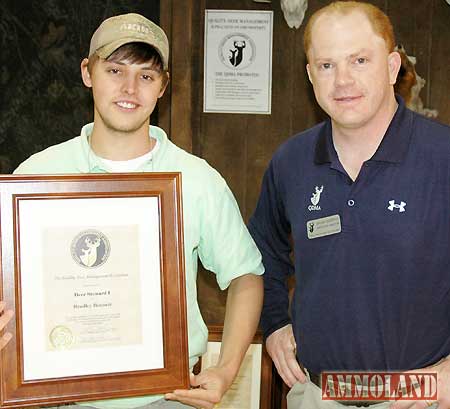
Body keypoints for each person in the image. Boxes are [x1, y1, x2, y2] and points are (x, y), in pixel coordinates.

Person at [1, 12, 264, 409]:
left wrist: (225, 370)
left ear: (163, 87)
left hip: (167, 399)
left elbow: (246, 275)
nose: (130, 88)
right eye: (115, 70)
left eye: (146, 75)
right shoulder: (37, 176)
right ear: (87, 73)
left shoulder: (196, 179)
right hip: (58, 397)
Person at [248, 2, 450, 409]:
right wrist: (274, 324)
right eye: (326, 65)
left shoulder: (442, 157)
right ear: (309, 75)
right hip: (319, 395)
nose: (342, 80)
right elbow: (261, 254)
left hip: (421, 397)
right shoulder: (291, 162)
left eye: (359, 60)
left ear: (392, 67)